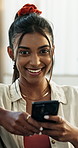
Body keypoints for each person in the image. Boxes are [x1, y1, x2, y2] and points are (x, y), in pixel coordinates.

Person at [0, 3, 78, 148]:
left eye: (43, 51)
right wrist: (2, 116)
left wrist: (74, 135)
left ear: (52, 51)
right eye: (24, 52)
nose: (35, 62)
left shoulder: (75, 96)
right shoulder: (1, 96)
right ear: (11, 53)